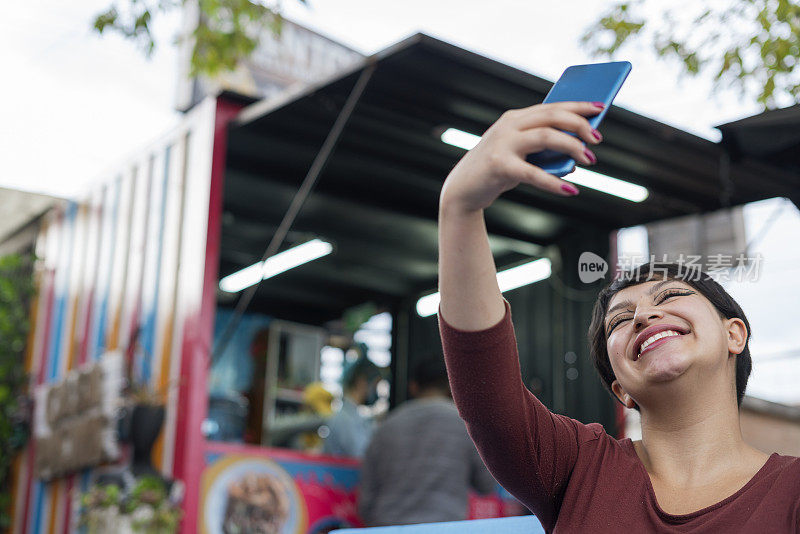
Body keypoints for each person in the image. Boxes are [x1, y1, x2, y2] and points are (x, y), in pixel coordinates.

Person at [436, 101, 800, 532]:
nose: (645, 315)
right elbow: (488, 397)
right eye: (621, 320)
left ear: (734, 333)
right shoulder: (576, 469)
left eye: (672, 295)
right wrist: (459, 206)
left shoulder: (792, 490)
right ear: (619, 389)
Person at [358, 355, 497, 526]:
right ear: (450, 387)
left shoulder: (386, 426)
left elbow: (366, 503)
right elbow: (486, 485)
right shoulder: (465, 425)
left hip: (387, 527)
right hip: (444, 527)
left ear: (413, 387)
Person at [323, 351, 382, 457]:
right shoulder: (346, 420)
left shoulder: (354, 417)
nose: (376, 392)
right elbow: (362, 457)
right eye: (375, 385)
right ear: (361, 382)